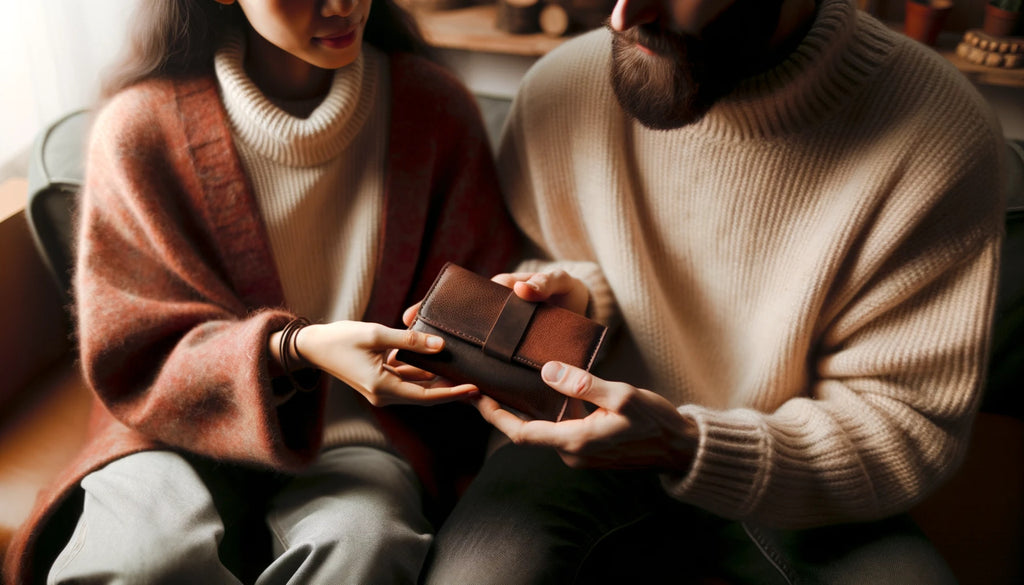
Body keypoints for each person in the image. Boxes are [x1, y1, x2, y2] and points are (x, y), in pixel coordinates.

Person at [420, 0, 1008, 582]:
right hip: (571, 447)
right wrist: (579, 301)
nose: (623, 19)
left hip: (794, 468)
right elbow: (551, 250)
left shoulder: (940, 132)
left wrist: (688, 446)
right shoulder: (560, 88)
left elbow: (904, 427)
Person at [2, 0, 519, 583]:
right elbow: (130, 349)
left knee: (366, 544)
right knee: (142, 559)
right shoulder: (138, 130)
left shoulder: (433, 111)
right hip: (169, 432)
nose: (343, 4)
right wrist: (294, 347)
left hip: (360, 437)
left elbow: (477, 301)